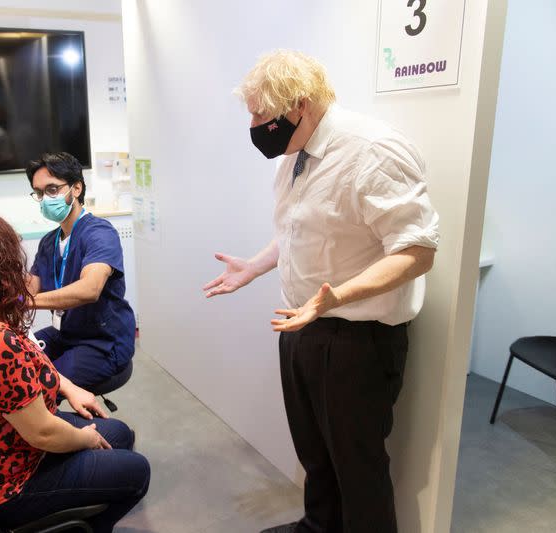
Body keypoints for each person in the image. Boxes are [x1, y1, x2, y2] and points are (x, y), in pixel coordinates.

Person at [204, 50, 439, 533]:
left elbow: (417, 250)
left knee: (358, 468)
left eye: (260, 114)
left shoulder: (371, 151)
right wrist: (254, 267)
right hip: (302, 324)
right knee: (315, 454)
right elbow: (298, 229)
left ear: (300, 106)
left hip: (358, 339)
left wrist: (338, 297)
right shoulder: (294, 155)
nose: (252, 125)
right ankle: (319, 527)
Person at [0, 210, 150, 532]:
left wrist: (65, 385)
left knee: (118, 433)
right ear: (3, 261)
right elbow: (42, 432)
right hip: (13, 481)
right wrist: (83, 440)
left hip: (6, 444)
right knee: (136, 469)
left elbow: (26, 359)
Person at [26, 152, 136, 390]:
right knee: (17, 360)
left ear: (76, 188)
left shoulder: (99, 233)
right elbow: (29, 287)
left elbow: (90, 289)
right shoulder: (49, 242)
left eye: (52, 190)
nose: (45, 199)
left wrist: (27, 302)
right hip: (66, 333)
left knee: (40, 387)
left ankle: (82, 429)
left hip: (102, 342)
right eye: (39, 193)